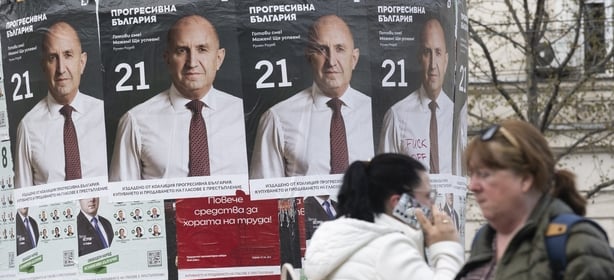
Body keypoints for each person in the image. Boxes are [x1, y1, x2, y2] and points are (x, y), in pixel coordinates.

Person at [442, 120, 614, 280]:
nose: (473, 185)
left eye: (484, 174)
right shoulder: (483, 243)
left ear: (525, 178)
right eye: (472, 174)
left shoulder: (576, 240)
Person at [303, 153, 464, 280]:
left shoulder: (352, 240)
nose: (433, 205)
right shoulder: (387, 248)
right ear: (399, 202)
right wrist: (446, 246)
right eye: (428, 196)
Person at [110, 14, 247, 180]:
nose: (192, 62)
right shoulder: (136, 121)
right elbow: (123, 200)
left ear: (219, 58)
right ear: (167, 58)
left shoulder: (244, 115)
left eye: (202, 49)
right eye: (182, 51)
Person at [250, 14, 373, 178]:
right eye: (322, 49)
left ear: (354, 58)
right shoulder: (277, 118)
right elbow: (265, 197)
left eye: (340, 49)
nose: (332, 61)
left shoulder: (375, 112)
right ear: (309, 56)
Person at [14, 21, 107, 187]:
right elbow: (23, 204)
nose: (61, 69)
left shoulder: (104, 115)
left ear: (82, 62)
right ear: (44, 65)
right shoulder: (28, 127)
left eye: (68, 55)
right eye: (52, 58)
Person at [378, 16, 459, 174]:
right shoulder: (397, 115)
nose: (433, 64)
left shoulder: (455, 115)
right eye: (427, 52)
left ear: (446, 60)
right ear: (418, 58)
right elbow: (384, 179)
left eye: (438, 52)